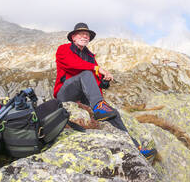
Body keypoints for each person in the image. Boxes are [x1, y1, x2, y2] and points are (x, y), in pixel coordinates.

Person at [54, 22, 156, 160]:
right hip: (65, 93)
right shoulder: (63, 49)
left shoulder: (90, 57)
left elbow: (95, 82)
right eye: (81, 34)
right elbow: (72, 64)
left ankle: (136, 148)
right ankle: (99, 106)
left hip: (83, 96)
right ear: (73, 37)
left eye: (87, 35)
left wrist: (104, 81)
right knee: (86, 74)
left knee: (113, 114)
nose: (85, 36)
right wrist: (97, 69)